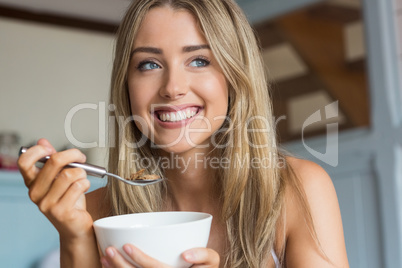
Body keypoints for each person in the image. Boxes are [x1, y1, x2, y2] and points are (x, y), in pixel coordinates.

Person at [18, 0, 349, 267]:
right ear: (126, 86)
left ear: (235, 77)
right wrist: (74, 237)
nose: (173, 88)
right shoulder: (92, 214)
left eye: (199, 60)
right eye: (149, 64)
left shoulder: (296, 191)